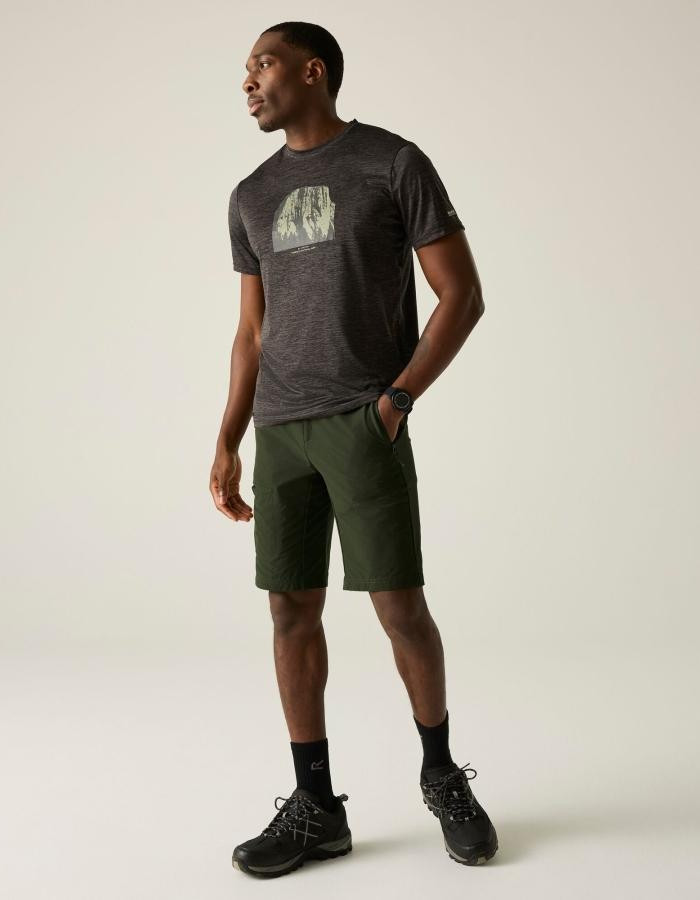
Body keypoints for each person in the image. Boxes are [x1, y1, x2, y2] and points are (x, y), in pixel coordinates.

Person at [211, 21, 498, 878]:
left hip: (363, 420)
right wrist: (227, 438)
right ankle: (317, 807)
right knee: (289, 612)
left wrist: (397, 400)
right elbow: (251, 331)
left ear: (313, 71)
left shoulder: (391, 163)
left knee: (399, 607)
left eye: (262, 64)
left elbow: (462, 294)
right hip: (280, 430)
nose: (248, 82)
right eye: (245, 70)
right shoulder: (250, 195)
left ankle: (442, 776)